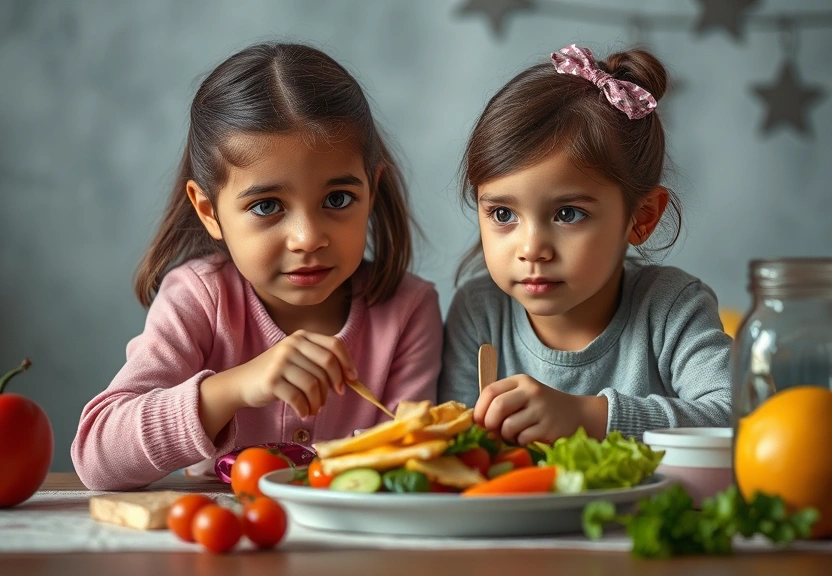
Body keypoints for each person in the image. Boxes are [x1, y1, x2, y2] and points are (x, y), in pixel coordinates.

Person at [71, 42, 442, 490]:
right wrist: (234, 388)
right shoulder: (198, 299)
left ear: (371, 191)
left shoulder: (409, 310)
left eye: (338, 199)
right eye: (267, 205)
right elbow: (97, 458)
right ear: (209, 211)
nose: (307, 238)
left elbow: (413, 463)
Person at [438, 44, 731, 445]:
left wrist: (590, 418)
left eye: (567, 214)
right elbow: (453, 443)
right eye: (503, 214)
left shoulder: (671, 308)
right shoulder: (479, 313)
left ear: (642, 217)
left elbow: (739, 419)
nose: (532, 249)